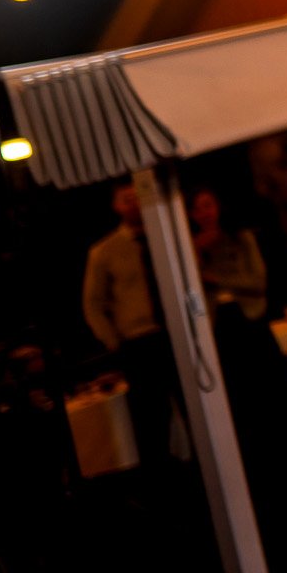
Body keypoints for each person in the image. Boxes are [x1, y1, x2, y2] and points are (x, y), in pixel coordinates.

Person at [81, 182, 177, 471]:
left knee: (192, 404)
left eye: (138, 198)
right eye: (127, 200)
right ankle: (160, 475)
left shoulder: (165, 237)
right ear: (116, 206)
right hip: (139, 340)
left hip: (174, 334)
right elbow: (93, 303)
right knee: (151, 417)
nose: (134, 204)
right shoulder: (105, 251)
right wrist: (114, 341)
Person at [188, 187, 268, 322]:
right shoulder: (191, 247)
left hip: (249, 313)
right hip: (214, 318)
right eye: (197, 210)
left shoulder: (240, 237)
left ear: (217, 206)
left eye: (208, 206)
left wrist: (217, 280)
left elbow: (259, 282)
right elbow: (193, 293)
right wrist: (196, 251)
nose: (204, 214)